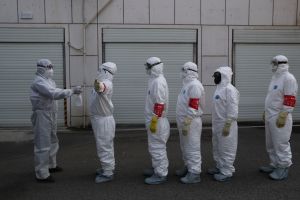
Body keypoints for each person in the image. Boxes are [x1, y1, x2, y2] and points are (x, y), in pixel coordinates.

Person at [30, 59, 82, 183]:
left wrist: (70, 91)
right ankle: (42, 174)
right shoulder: (38, 82)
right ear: (41, 68)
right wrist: (72, 91)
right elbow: (53, 94)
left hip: (50, 114)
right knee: (42, 143)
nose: (51, 70)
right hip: (42, 114)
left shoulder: (49, 81)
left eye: (52, 67)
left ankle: (51, 165)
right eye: (49, 67)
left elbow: (55, 90)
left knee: (53, 140)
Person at [260, 55, 298, 180]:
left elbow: (290, 97)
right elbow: (272, 97)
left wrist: (284, 114)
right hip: (271, 116)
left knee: (281, 143)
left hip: (280, 117)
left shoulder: (288, 78)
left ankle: (283, 167)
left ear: (280, 64)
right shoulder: (275, 78)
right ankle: (275, 164)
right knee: (270, 143)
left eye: (274, 63)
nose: (273, 65)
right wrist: (266, 111)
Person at [208, 66, 239, 182]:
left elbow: (233, 108)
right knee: (217, 146)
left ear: (224, 76)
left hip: (227, 124)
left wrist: (228, 123)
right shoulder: (219, 88)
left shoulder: (230, 90)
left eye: (217, 76)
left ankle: (226, 171)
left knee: (226, 148)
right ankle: (220, 166)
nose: (215, 78)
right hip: (217, 124)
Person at [176, 62, 205, 184]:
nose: (182, 72)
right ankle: (188, 166)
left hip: (191, 121)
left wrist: (187, 121)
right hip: (185, 120)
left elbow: (194, 105)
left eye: (184, 70)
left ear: (189, 71)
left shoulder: (194, 85)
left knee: (192, 146)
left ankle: (194, 173)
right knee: (185, 146)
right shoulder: (187, 85)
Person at [143, 57, 170, 185]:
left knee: (157, 147)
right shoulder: (153, 80)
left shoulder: (158, 82)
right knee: (154, 147)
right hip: (155, 119)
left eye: (148, 67)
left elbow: (160, 103)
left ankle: (160, 174)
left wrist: (154, 120)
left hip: (157, 121)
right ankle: (156, 168)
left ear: (154, 67)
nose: (146, 69)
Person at [89, 62, 117, 183]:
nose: (98, 72)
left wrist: (97, 82)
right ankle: (106, 167)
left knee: (104, 146)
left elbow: (101, 88)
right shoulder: (103, 82)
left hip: (104, 120)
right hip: (99, 119)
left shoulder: (107, 84)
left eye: (100, 70)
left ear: (106, 71)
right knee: (103, 145)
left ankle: (108, 172)